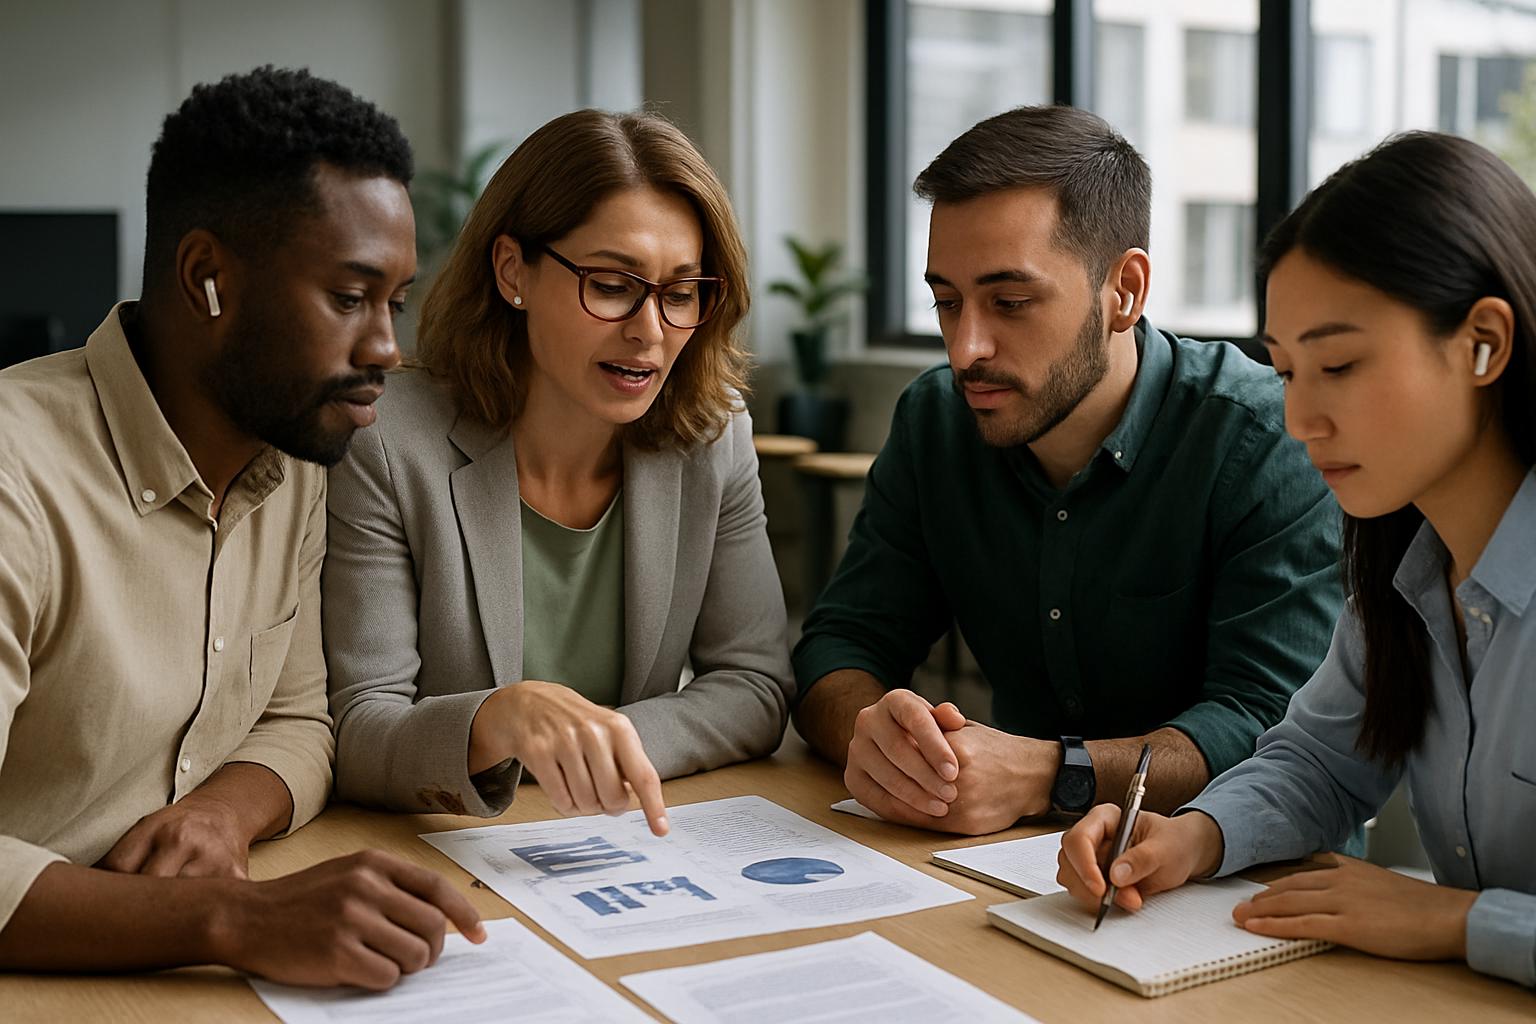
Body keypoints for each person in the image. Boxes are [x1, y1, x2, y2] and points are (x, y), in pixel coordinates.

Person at [0, 67, 483, 990]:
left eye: (396, 300)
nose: (386, 346)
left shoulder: (292, 455)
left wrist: (222, 815)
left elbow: (298, 719)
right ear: (207, 278)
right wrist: (231, 915)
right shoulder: (16, 479)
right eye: (349, 298)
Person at [1056, 131, 1536, 989]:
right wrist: (1192, 836)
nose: (1300, 417)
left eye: (1341, 365)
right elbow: (1320, 761)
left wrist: (1462, 920)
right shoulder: (1405, 566)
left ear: (1484, 344)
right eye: (1284, 371)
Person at [792, 105, 1342, 835]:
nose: (965, 349)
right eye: (946, 303)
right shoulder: (935, 421)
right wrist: (873, 734)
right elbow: (840, 642)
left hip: (1243, 876)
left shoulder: (1263, 439)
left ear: (1125, 291)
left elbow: (1267, 728)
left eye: (1010, 302)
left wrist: (1049, 774)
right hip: (1013, 863)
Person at [322, 109, 793, 835]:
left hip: (626, 843)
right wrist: (496, 722)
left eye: (680, 292)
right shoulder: (387, 443)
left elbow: (756, 684)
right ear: (514, 271)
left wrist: (603, 744)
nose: (650, 331)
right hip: (451, 853)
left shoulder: (713, 435)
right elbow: (358, 728)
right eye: (612, 284)